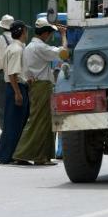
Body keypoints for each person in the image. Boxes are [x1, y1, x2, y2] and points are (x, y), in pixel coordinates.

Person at [13, 18, 68, 166]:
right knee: (41, 121)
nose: (49, 37)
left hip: (35, 85)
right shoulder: (40, 47)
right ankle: (30, 155)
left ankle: (40, 156)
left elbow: (24, 71)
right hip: (43, 85)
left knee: (39, 120)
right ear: (45, 33)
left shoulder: (29, 47)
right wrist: (63, 36)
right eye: (49, 33)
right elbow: (63, 54)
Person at [0, 20, 30, 165]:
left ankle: (3, 154)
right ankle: (13, 155)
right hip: (16, 87)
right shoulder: (17, 50)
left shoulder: (11, 47)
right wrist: (18, 93)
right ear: (22, 32)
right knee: (17, 123)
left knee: (10, 123)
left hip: (13, 87)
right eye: (26, 31)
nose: (27, 34)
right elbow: (13, 74)